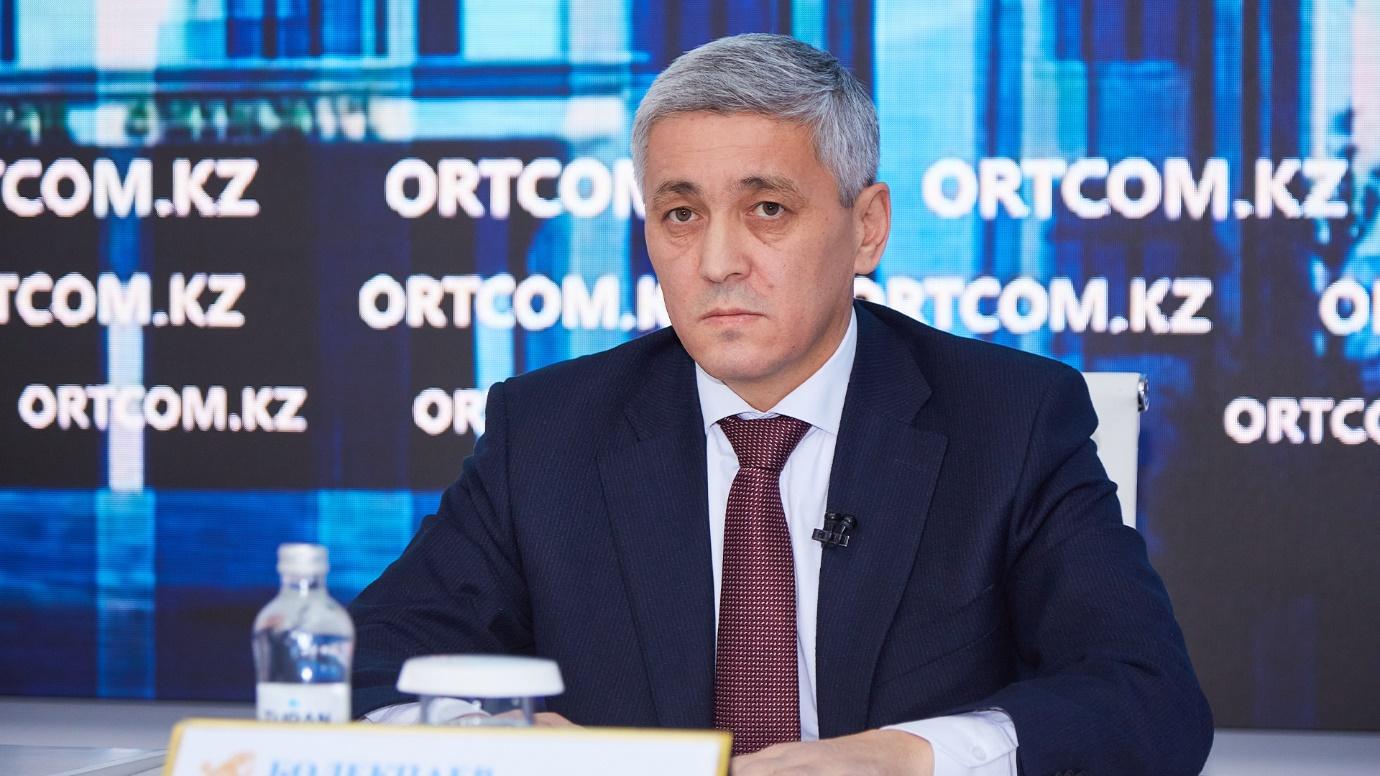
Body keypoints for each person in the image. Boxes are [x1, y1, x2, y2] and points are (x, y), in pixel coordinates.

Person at [349, 33, 1213, 776]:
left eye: (767, 209)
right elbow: (362, 666)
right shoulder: (546, 434)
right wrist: (506, 744)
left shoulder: (1010, 422)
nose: (717, 261)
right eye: (680, 215)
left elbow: (1148, 698)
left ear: (867, 227)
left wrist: (914, 756)